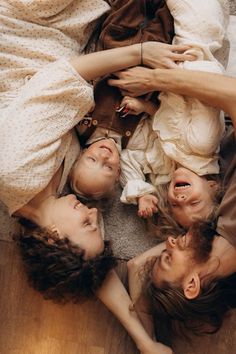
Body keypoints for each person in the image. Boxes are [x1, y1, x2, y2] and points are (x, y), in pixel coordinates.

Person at [121, 69, 236, 344]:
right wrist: (154, 80)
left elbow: (136, 266)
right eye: (168, 258)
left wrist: (147, 343)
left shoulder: (216, 236)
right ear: (193, 284)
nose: (169, 241)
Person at [117, 0, 229, 223]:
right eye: (194, 202)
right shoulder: (203, 144)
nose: (181, 197)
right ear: (213, 187)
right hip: (195, 45)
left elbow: (130, 157)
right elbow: (205, 77)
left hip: (167, 54)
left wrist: (143, 192)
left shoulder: (167, 165)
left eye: (176, 204)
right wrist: (154, 80)